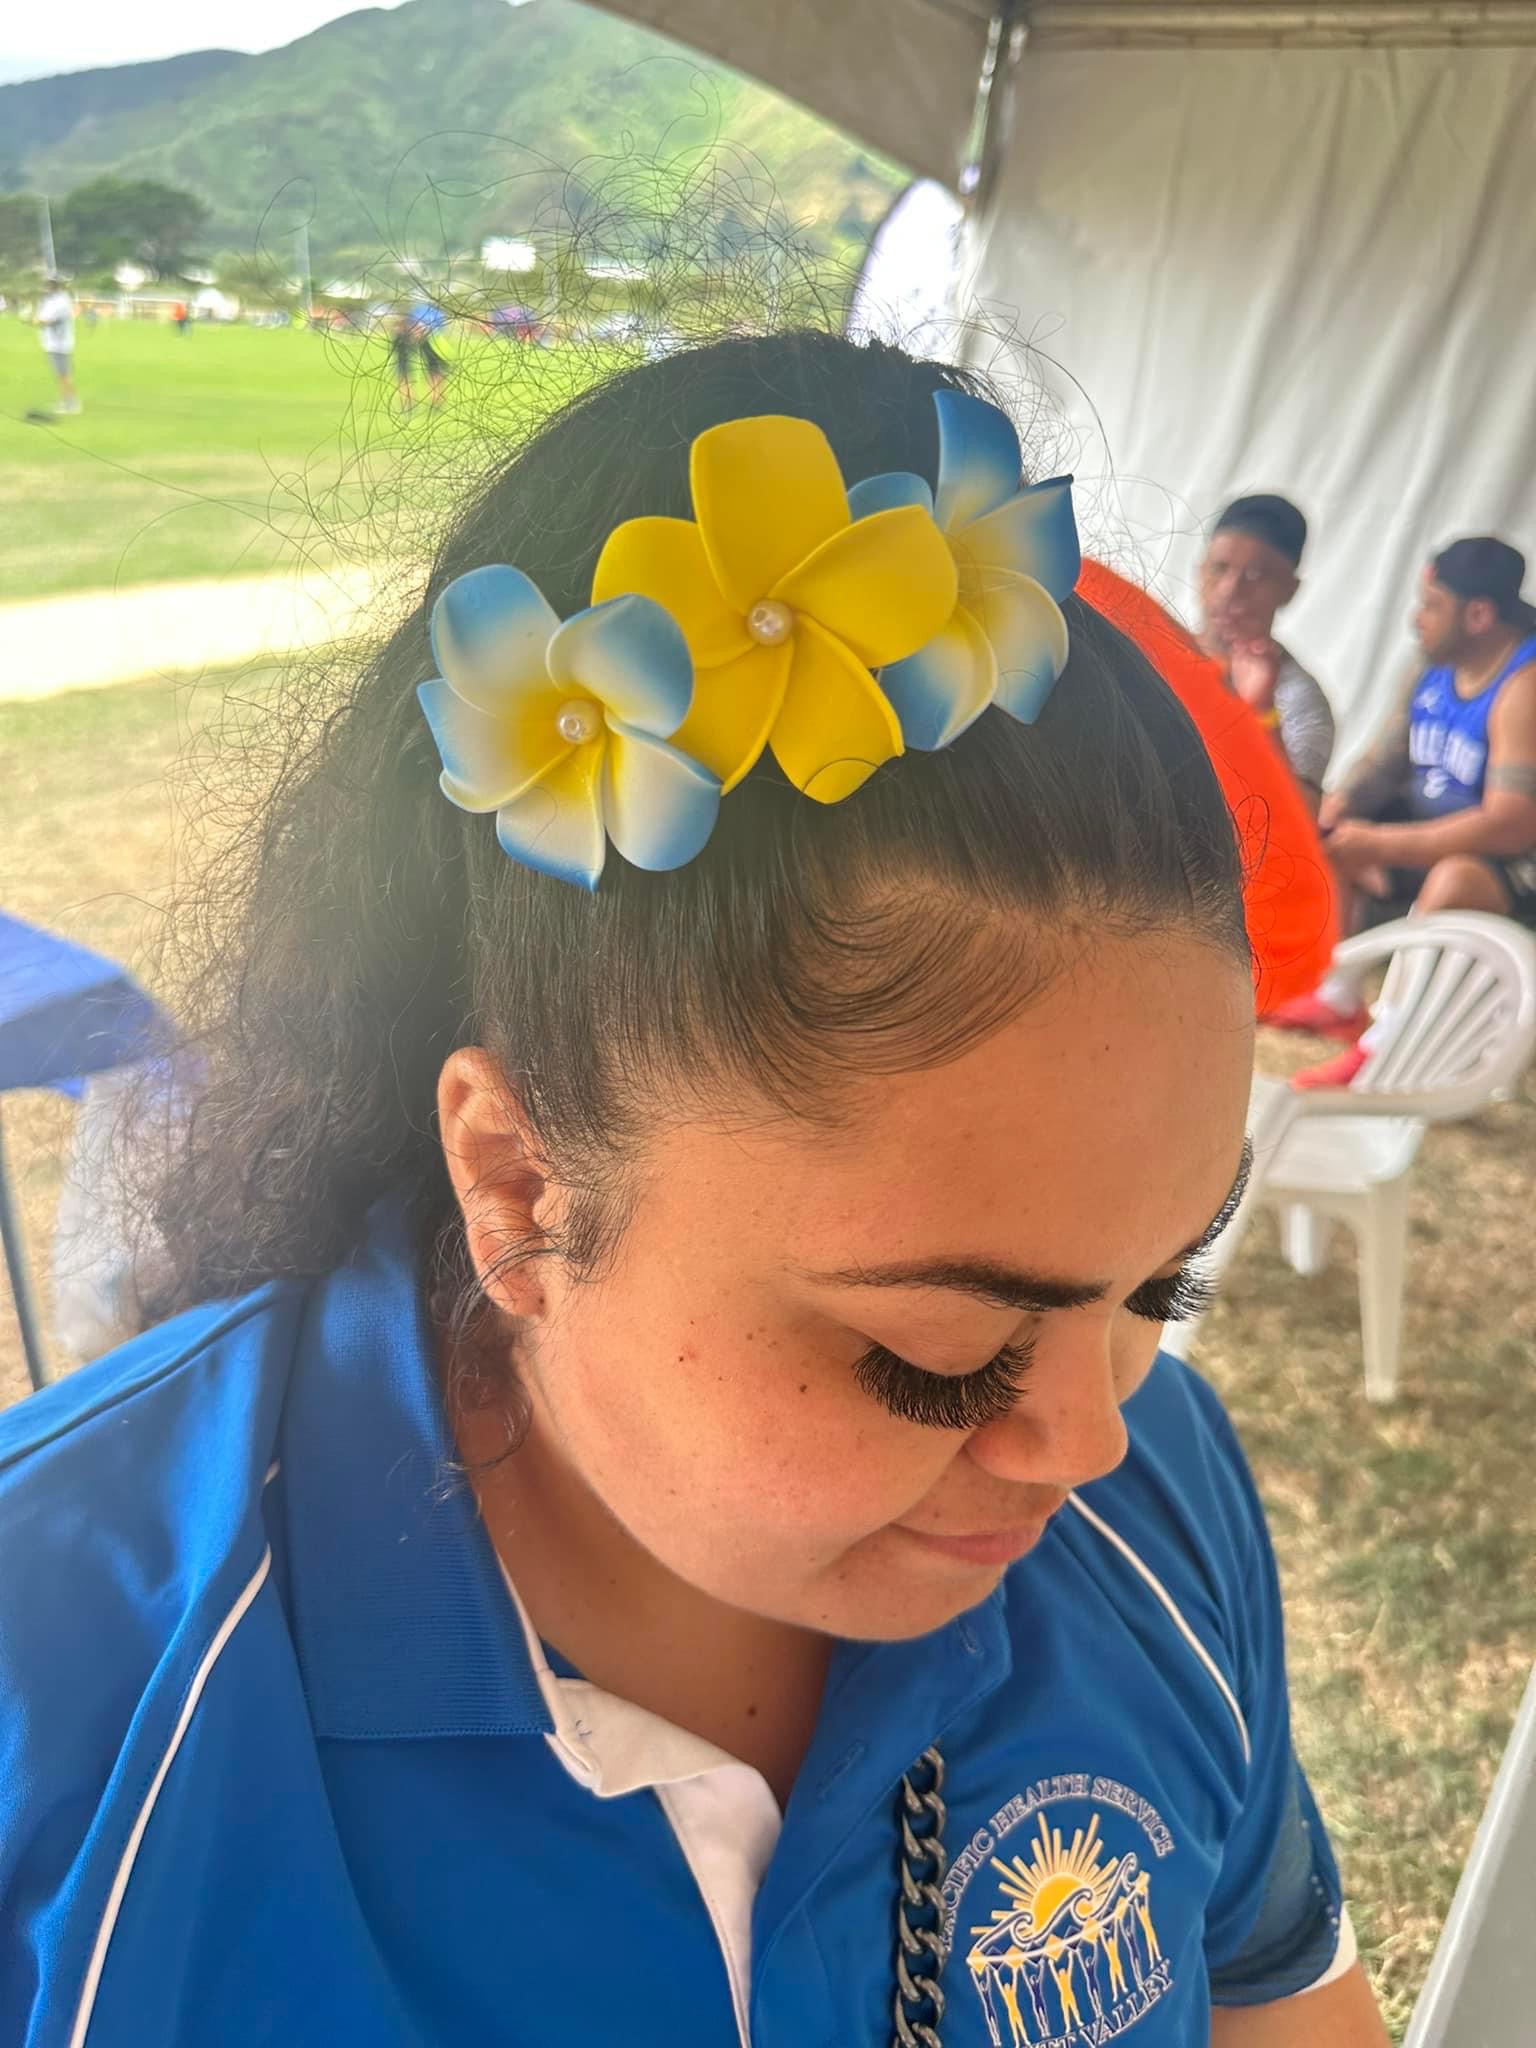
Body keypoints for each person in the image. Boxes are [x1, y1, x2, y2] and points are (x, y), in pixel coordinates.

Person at [0, 333, 1386, 2046]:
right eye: (941, 1351)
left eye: (1158, 1286)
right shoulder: (61, 1693)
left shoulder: (1148, 1510)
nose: (1090, 1434)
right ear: (514, 1185)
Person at [1273, 536, 1536, 1084]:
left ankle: (1389, 1042)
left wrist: (1379, 843)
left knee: (1453, 878)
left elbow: (1512, 824)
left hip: (1511, 861)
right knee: (1336, 833)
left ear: (1480, 614)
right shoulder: (1433, 663)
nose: (1418, 619)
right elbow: (1387, 758)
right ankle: (1337, 998)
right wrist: (1338, 807)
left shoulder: (1523, 685)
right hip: (1437, 826)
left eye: (1432, 605)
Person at [1198, 494, 1334, 814]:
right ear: (1199, 571)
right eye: (1220, 568)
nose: (1230, 590)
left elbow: (1300, 818)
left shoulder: (1297, 697)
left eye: (1256, 575)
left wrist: (1262, 714)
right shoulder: (1151, 649)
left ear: (1289, 590)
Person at [36, 273, 80, 415]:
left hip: (60, 344)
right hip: (53, 342)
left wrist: (34, 320)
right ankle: (66, 400)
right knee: (60, 374)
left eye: (51, 284)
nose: (49, 286)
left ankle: (71, 404)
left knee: (63, 374)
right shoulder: (51, 299)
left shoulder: (62, 301)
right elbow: (41, 316)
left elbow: (46, 319)